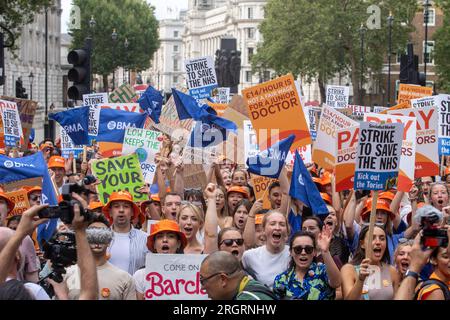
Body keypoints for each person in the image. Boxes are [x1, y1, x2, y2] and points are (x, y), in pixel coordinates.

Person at [60, 217, 136, 300]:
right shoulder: (67, 273)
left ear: (109, 240)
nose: (98, 238)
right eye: (92, 233)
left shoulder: (125, 278)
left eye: (103, 234)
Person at [273, 230, 341, 300]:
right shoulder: (281, 279)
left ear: (314, 252)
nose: (303, 253)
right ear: (291, 252)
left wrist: (325, 251)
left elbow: (336, 283)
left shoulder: (322, 271)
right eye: (298, 249)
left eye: (308, 249)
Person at [341, 225, 400, 300]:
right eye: (372, 238)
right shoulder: (349, 269)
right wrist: (360, 280)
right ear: (362, 244)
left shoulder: (392, 271)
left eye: (382, 239)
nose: (378, 242)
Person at [133, 219, 187, 300]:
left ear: (178, 244)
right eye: (160, 236)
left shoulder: (190, 275)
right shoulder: (140, 276)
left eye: (171, 236)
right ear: (154, 245)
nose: (165, 240)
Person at [241, 211, 290, 288]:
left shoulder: (296, 253)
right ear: (263, 229)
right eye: (272, 224)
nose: (277, 228)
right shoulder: (249, 256)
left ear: (287, 231)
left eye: (282, 224)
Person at [103, 191, 148, 275]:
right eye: (116, 206)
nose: (121, 210)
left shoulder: (145, 239)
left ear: (132, 212)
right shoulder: (100, 237)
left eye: (126, 206)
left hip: (134, 288)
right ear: (110, 212)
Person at [200, 251, 275, 300]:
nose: (202, 288)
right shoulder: (246, 288)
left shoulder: (249, 298)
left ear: (223, 279)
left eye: (203, 281)